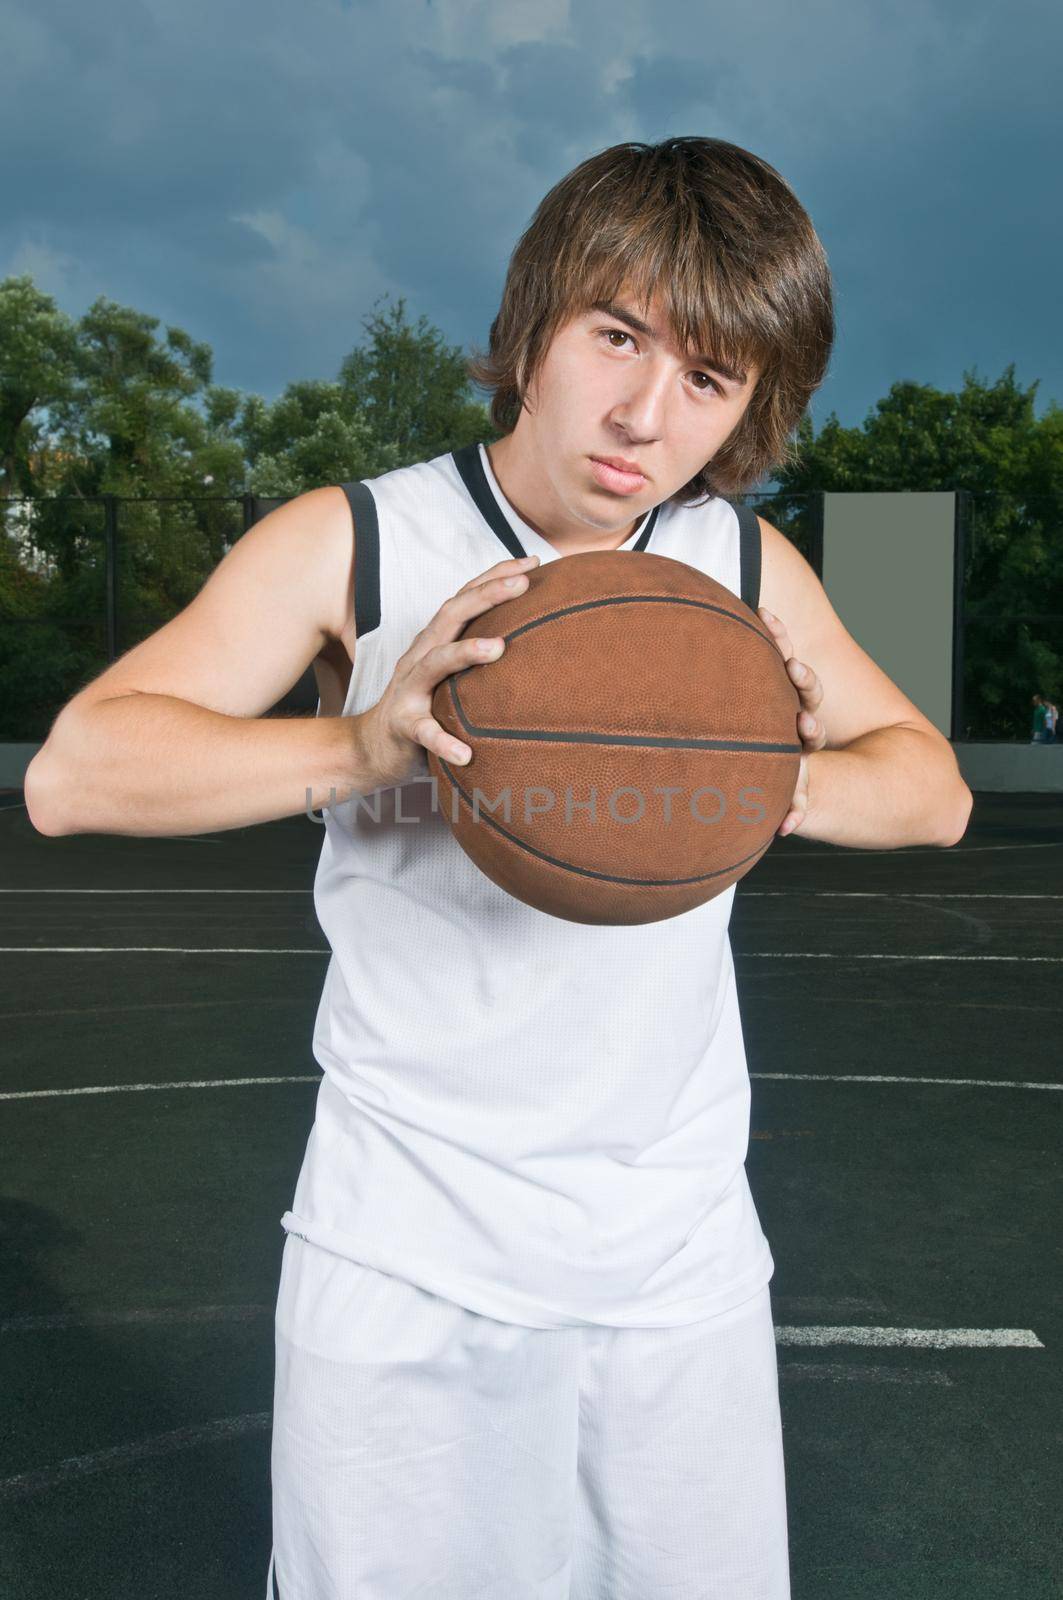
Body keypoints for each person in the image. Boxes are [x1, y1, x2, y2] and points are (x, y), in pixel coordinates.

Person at [24, 137, 973, 1600]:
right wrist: (368, 745)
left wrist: (741, 781)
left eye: (709, 382)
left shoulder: (734, 571)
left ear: (747, 412)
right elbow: (75, 774)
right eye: (618, 338)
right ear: (535, 322)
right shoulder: (361, 542)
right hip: (408, 1255)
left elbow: (931, 793)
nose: (646, 416)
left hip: (675, 1260)